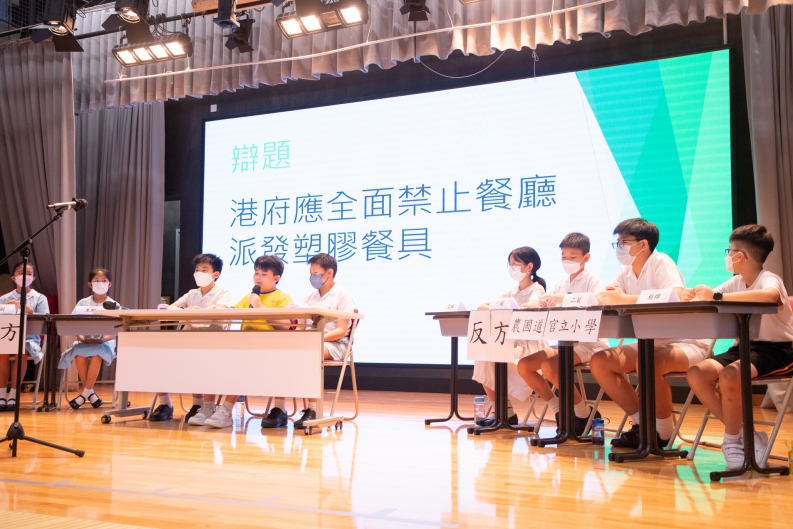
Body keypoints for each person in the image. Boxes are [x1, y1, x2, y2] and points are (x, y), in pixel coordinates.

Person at [590, 218, 710, 449]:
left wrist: (625, 299)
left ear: (643, 244)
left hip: (687, 342)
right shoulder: (626, 272)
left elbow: (675, 295)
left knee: (648, 362)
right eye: (617, 242)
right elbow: (605, 295)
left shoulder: (660, 261)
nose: (619, 247)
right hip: (651, 341)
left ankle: (663, 434)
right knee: (601, 361)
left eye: (624, 242)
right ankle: (642, 424)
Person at [684, 225, 793, 470]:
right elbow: (710, 298)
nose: (728, 255)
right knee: (696, 373)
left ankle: (731, 440)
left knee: (731, 375)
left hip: (777, 351)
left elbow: (769, 296)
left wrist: (716, 297)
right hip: (743, 347)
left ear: (740, 256)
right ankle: (748, 434)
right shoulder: (736, 282)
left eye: (730, 251)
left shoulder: (769, 279)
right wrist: (692, 295)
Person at [517, 233, 608, 435]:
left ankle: (583, 413)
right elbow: (547, 300)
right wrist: (535, 303)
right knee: (524, 365)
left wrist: (563, 298)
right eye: (563, 257)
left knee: (550, 366)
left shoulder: (592, 280)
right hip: (565, 344)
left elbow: (598, 300)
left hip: (590, 345)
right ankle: (559, 409)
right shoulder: (561, 282)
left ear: (586, 257)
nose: (567, 261)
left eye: (572, 257)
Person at [203, 255, 293, 429]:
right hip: (245, 344)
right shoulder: (248, 297)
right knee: (211, 357)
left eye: (264, 274)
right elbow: (232, 312)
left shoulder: (283, 297)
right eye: (256, 273)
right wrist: (220, 308)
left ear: (276, 278)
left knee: (242, 364)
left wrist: (260, 308)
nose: (258, 277)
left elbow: (286, 325)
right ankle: (208, 407)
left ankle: (226, 410)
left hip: (271, 347)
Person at [147, 254, 234, 424]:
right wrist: (185, 311)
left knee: (204, 363)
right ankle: (165, 404)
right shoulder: (191, 294)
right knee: (157, 358)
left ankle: (199, 405)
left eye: (204, 270)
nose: (199, 273)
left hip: (213, 342)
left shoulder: (224, 292)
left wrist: (194, 313)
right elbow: (170, 308)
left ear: (215, 274)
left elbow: (219, 310)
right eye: (197, 270)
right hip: (187, 341)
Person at [472, 247, 546, 427]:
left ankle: (504, 411)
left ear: (529, 266)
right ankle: (503, 411)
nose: (511, 268)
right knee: (482, 356)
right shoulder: (512, 291)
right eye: (510, 264)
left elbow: (533, 306)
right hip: (510, 343)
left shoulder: (537, 289)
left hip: (530, 346)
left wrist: (508, 309)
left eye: (515, 264)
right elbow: (482, 306)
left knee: (495, 355)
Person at [292, 253, 356, 430]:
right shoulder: (309, 297)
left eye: (316, 273)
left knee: (311, 352)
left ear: (329, 273)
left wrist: (315, 339)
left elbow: (341, 331)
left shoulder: (342, 295)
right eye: (311, 273)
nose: (312, 277)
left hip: (336, 344)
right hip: (311, 342)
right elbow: (301, 327)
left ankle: (313, 410)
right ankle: (279, 408)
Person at [58, 268, 121, 409]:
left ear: (110, 284)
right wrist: (81, 338)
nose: (100, 284)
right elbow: (73, 323)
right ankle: (91, 395)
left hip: (105, 341)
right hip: (84, 340)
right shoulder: (82, 303)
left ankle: (84, 394)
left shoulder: (114, 305)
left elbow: (118, 328)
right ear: (90, 284)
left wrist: (103, 339)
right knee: (79, 354)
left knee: (97, 355)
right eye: (96, 281)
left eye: (104, 281)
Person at [0, 262, 50, 411]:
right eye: (21, 273)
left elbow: (46, 319)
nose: (24, 276)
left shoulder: (39, 298)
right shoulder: (5, 298)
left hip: (29, 338)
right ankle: (1, 394)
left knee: (21, 351)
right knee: (2, 352)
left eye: (28, 274)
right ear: (13, 277)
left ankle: (14, 395)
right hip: (8, 335)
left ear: (33, 278)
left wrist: (30, 311)